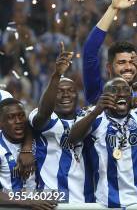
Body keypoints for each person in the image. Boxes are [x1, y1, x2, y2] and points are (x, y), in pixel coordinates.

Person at [67, 75, 137, 208]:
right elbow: (72, 139)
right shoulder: (94, 117)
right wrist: (96, 110)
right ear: (104, 96)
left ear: (131, 96)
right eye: (114, 90)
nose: (121, 93)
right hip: (107, 203)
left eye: (125, 90)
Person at [29, 44, 92, 202]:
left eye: (70, 91)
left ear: (78, 95)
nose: (66, 95)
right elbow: (43, 114)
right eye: (59, 91)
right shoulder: (42, 117)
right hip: (51, 201)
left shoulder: (87, 118)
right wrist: (57, 75)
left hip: (86, 202)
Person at [82, 0, 137, 104]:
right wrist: (113, 9)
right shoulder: (98, 94)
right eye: (121, 62)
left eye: (132, 62)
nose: (128, 67)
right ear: (109, 67)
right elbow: (89, 51)